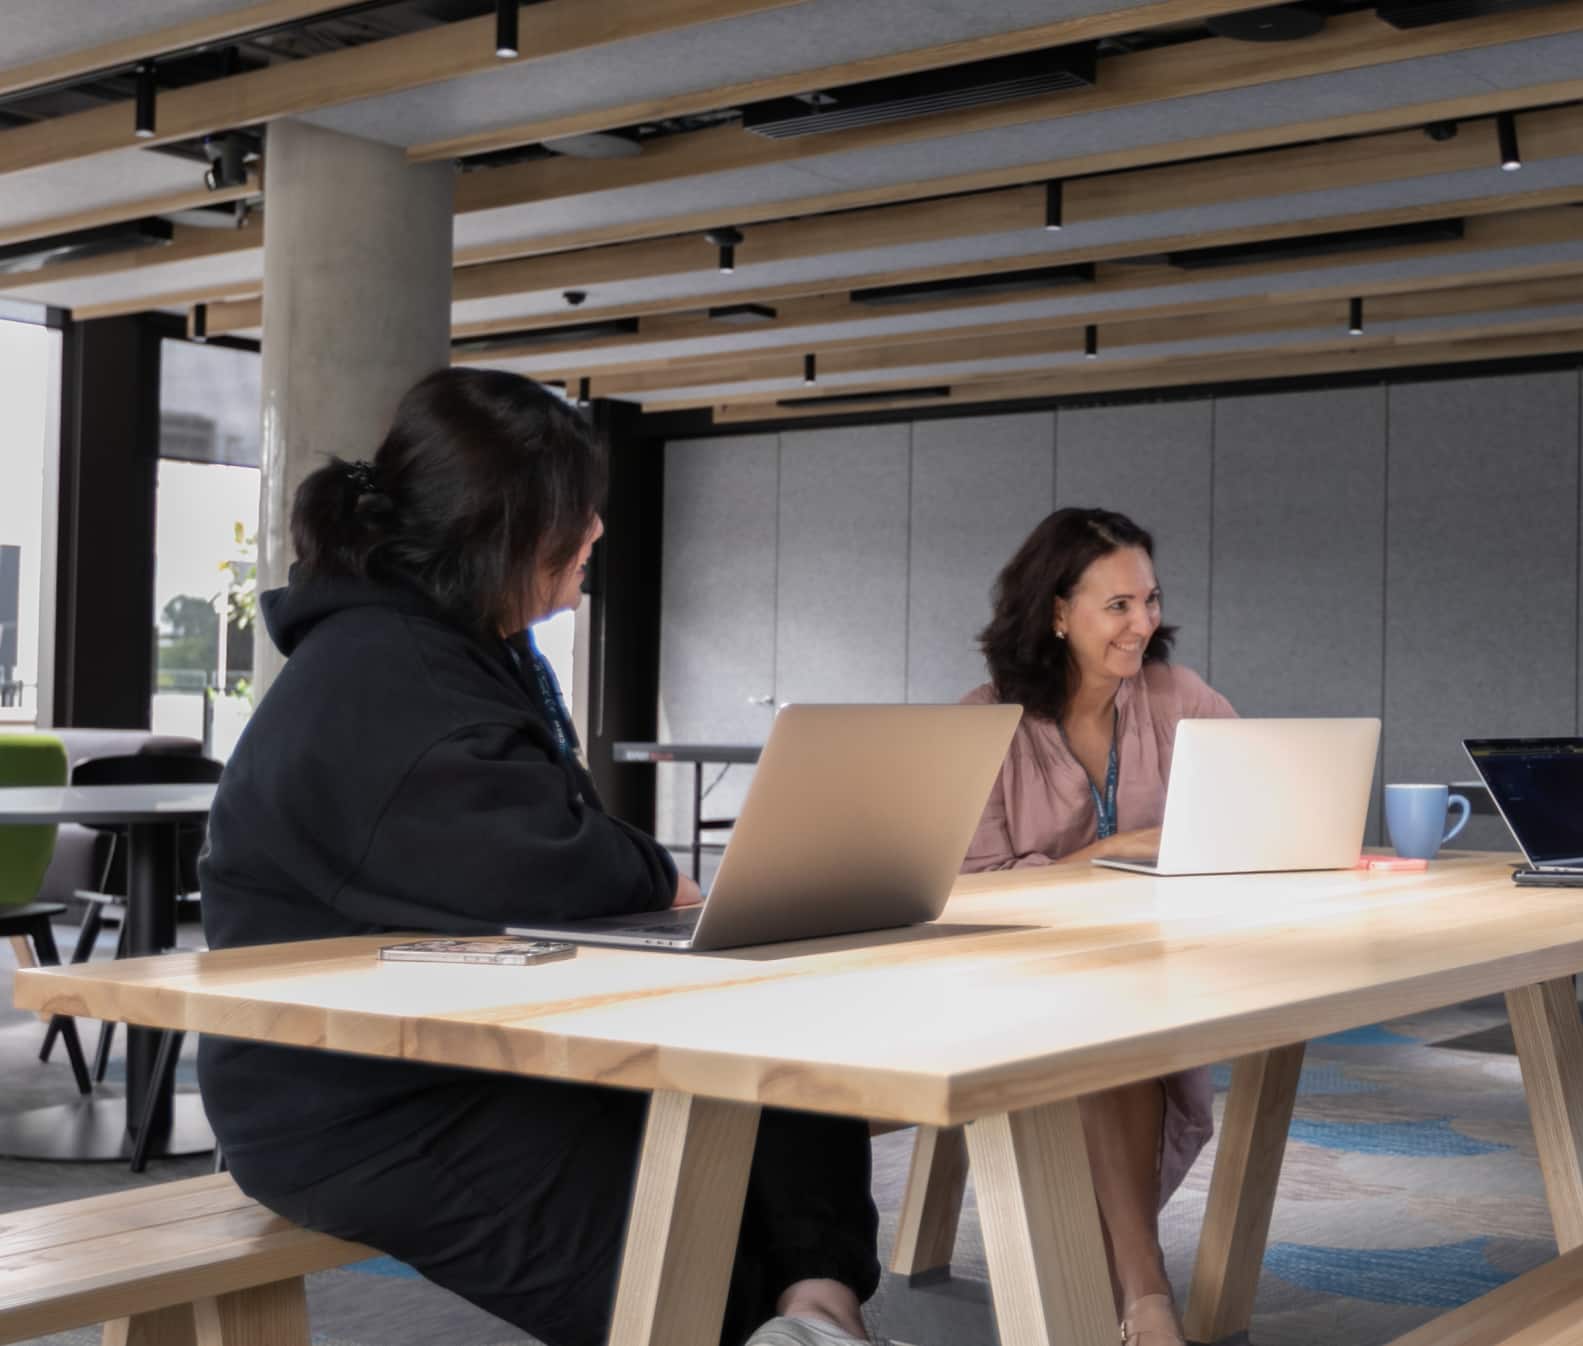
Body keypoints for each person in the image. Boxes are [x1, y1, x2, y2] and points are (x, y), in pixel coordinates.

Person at [198, 368, 884, 1346]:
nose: (597, 530)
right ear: (498, 532)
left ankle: (821, 1311)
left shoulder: (446, 647)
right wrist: (676, 884)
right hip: (362, 1104)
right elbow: (574, 870)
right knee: (691, 1257)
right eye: (576, 513)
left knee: (765, 1054)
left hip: (464, 1042)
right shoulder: (389, 685)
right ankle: (789, 1317)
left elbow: (562, 850)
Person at [959, 507, 1234, 1346]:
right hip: (1012, 973)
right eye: (1117, 605)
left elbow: (1249, 810)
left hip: (1153, 965)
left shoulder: (1179, 697)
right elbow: (971, 889)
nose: (1142, 624)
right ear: (1056, 612)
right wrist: (1114, 852)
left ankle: (1135, 1290)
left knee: (1118, 1022)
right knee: (1106, 1032)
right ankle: (1146, 1296)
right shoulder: (983, 719)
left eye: (1149, 600)